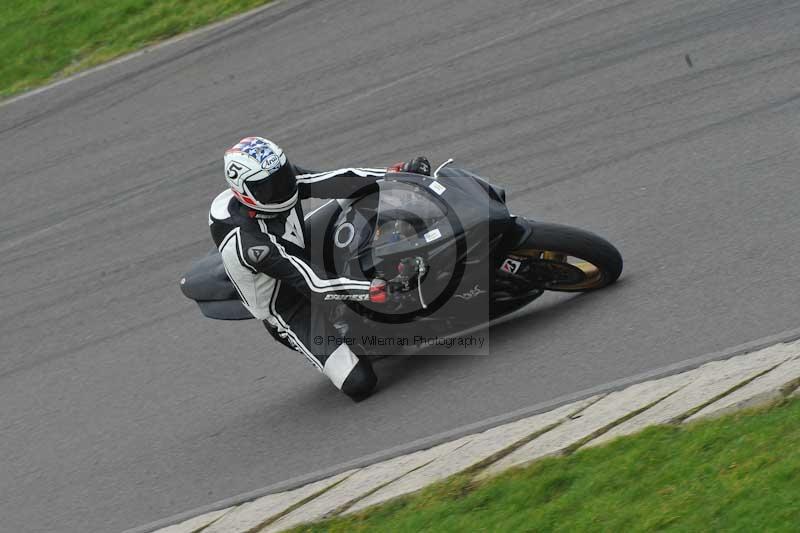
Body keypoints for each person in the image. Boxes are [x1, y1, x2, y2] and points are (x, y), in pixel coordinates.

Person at [208, 136, 430, 401]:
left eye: (282, 175)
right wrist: (376, 289)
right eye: (268, 186)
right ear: (244, 192)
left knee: (364, 200)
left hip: (300, 246)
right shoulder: (248, 241)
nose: (281, 188)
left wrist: (396, 173)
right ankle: (353, 336)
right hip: (290, 304)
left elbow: (333, 180)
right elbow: (313, 282)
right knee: (360, 383)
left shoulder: (280, 180)